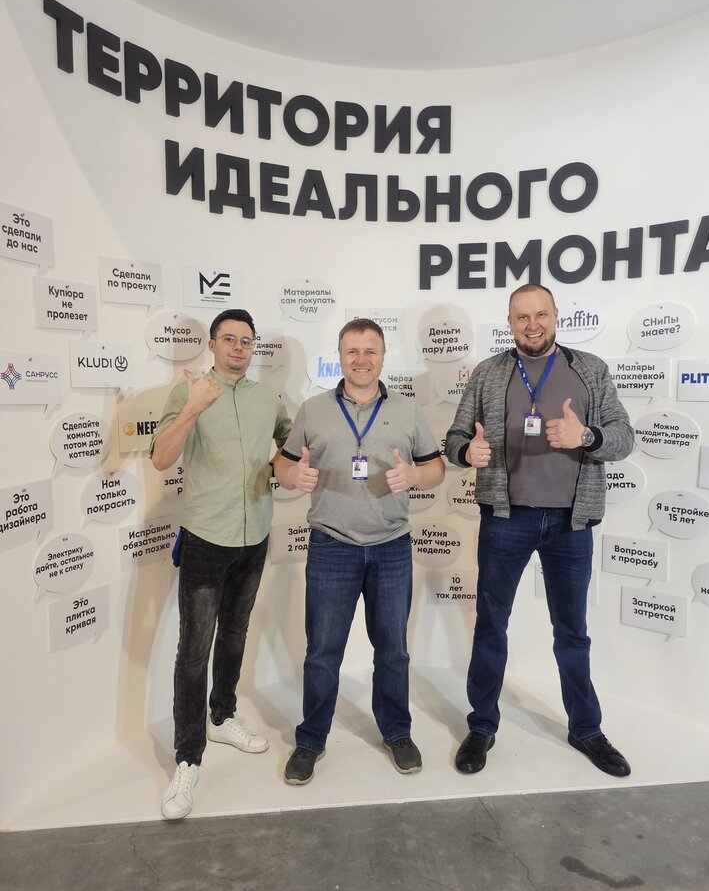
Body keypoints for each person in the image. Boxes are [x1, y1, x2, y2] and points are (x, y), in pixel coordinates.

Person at [445, 284, 634, 778]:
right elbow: (455, 436)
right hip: (506, 520)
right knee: (491, 625)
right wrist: (466, 452)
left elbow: (623, 437)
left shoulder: (590, 369)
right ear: (509, 322)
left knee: (572, 632)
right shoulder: (489, 373)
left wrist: (585, 435)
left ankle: (586, 729)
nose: (533, 325)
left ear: (556, 316)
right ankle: (482, 726)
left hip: (571, 522)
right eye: (522, 316)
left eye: (541, 314)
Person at [274, 319, 445, 785]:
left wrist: (415, 477)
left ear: (384, 356)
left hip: (391, 548)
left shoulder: (407, 410)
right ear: (340, 357)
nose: (362, 359)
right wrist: (292, 477)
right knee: (322, 653)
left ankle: (397, 733)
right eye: (352, 351)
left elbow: (435, 469)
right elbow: (282, 466)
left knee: (393, 651)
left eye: (371, 350)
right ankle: (311, 739)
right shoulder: (313, 410)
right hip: (331, 547)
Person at [151, 308, 292, 819]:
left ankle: (222, 716)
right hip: (206, 538)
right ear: (211, 344)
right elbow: (161, 458)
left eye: (246, 340)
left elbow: (290, 446)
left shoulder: (267, 398)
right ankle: (188, 758)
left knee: (235, 634)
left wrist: (283, 467)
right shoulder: (187, 391)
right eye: (228, 339)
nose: (238, 347)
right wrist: (193, 408)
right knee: (194, 651)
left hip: (254, 537)